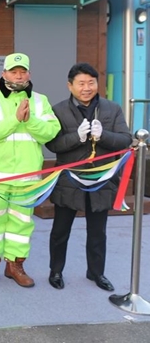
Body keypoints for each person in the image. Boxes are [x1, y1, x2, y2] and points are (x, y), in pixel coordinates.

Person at [45, 63, 132, 291]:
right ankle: (56, 271)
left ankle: (96, 273)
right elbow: (52, 144)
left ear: (97, 84)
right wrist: (77, 137)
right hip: (68, 179)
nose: (86, 88)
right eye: (81, 83)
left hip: (102, 178)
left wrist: (104, 135)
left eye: (91, 82)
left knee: (98, 232)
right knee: (60, 231)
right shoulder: (58, 110)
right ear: (70, 86)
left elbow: (125, 139)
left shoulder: (112, 109)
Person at [0, 53, 60, 287]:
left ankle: (15, 265)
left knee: (22, 224)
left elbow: (50, 132)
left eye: (23, 71)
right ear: (4, 74)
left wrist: (29, 119)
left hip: (27, 177)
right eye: (13, 71)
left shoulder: (40, 100)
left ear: (29, 74)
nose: (19, 75)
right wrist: (15, 119)